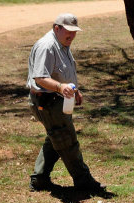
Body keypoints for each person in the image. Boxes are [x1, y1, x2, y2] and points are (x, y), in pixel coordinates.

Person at [27, 13, 106, 192]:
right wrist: (61, 87)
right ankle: (83, 180)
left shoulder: (63, 43)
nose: (72, 36)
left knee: (56, 136)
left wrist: (74, 90)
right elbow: (40, 77)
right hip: (46, 101)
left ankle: (39, 179)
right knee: (66, 140)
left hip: (57, 99)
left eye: (74, 32)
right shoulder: (47, 46)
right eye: (68, 32)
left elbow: (63, 72)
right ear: (57, 28)